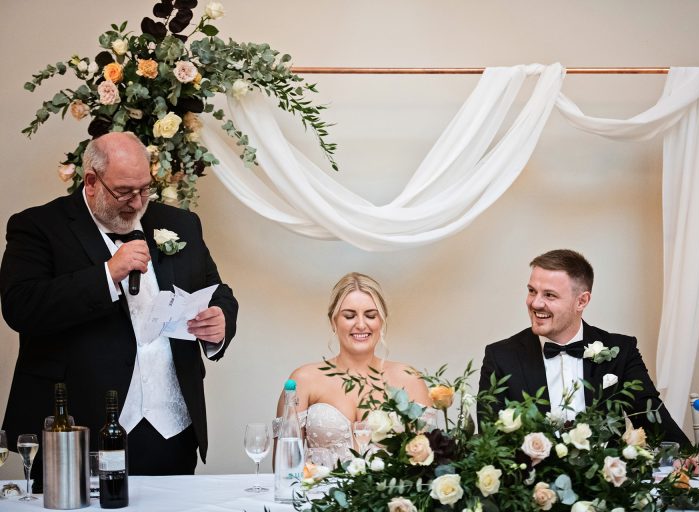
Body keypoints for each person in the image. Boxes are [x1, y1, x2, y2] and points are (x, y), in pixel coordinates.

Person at [0, 132, 238, 489]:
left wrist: (219, 324)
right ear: (91, 181)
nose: (137, 202)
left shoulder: (181, 224)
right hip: (78, 428)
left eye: (145, 189)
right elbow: (21, 307)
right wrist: (107, 274)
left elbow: (217, 291)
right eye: (125, 191)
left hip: (170, 427)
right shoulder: (38, 227)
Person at [478, 249, 689, 446]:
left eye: (549, 295)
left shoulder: (620, 351)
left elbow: (653, 417)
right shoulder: (500, 358)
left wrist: (691, 456)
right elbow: (491, 441)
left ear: (582, 301)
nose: (535, 303)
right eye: (532, 291)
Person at [276, 272, 430, 462]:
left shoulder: (409, 379)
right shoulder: (303, 380)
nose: (361, 324)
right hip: (316, 491)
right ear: (333, 322)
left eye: (370, 315)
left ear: (381, 321)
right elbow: (284, 465)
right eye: (349, 316)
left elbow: (427, 463)